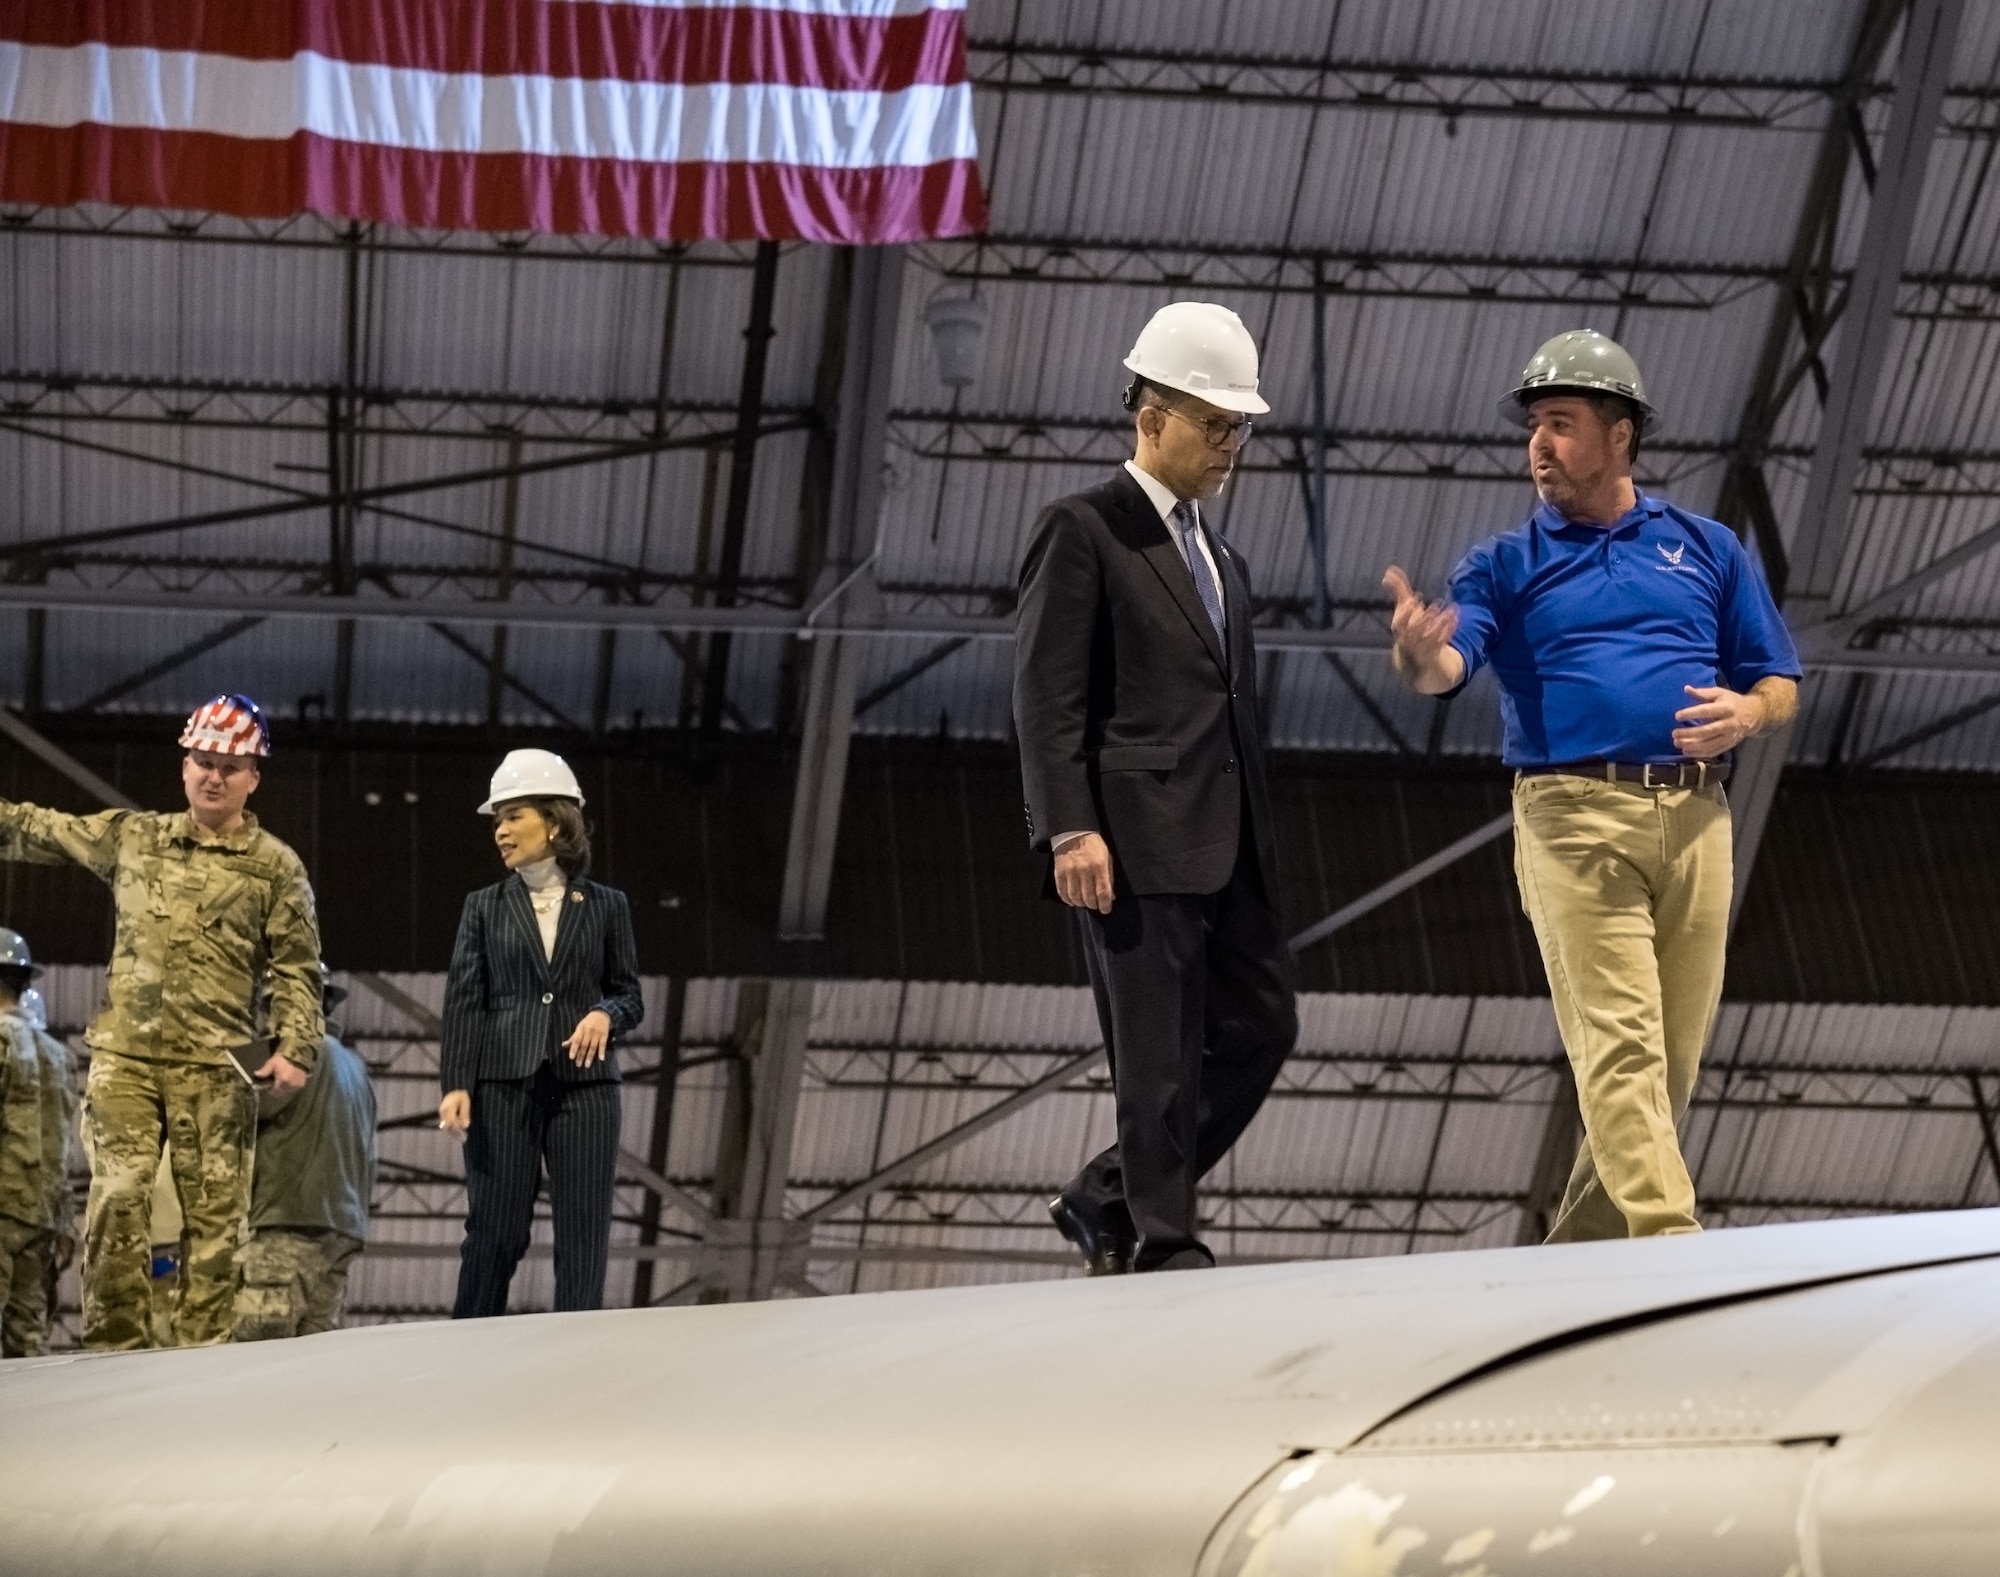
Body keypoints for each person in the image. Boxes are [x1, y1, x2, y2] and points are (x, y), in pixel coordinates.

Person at [1383, 329, 1801, 1242]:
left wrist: (1747, 715)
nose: (1539, 443)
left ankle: (1571, 1266)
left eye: (1562, 423)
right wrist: (1420, 655)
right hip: (1573, 819)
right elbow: (1450, 664)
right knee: (1620, 1049)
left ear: (1621, 434)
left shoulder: (1707, 547)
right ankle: (1671, 1243)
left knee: (1668, 1072)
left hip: (1698, 818)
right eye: (1534, 426)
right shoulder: (1502, 564)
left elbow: (1779, 680)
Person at [1013, 302, 1299, 1275]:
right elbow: (1044, 697)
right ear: (1151, 415)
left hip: (1230, 838)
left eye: (1237, 429)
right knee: (1157, 1054)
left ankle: (1102, 1192)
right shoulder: (1084, 529)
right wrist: (1067, 829)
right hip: (1131, 837)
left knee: (1262, 1027)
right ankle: (1160, 1237)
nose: (1230, 446)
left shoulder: (1228, 564)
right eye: (1215, 424)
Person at [0, 695, 323, 1347]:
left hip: (216, 1065)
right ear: (184, 766)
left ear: (253, 777)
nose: (213, 776)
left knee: (214, 1222)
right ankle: (114, 1345)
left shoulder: (276, 868)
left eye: (230, 767)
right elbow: (41, 828)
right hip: (126, 1059)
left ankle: (203, 1354)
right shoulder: (134, 837)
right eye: (203, 761)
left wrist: (298, 1046)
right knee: (118, 1195)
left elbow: (298, 965)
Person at [438, 749, 643, 1316]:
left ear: (554, 821)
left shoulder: (607, 907)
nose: (500, 831)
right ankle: (469, 1333)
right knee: (495, 1229)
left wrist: (606, 1013)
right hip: (502, 1083)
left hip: (587, 1088)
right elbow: (463, 1000)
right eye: (498, 820)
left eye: (513, 816)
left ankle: (576, 1351)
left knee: (583, 1234)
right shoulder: (482, 907)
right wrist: (457, 1083)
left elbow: (630, 995)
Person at [233, 966, 377, 1341]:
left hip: (287, 1223)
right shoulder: (357, 1068)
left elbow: (237, 1115)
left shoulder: (286, 1061)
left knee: (260, 1358)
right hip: (343, 1231)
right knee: (312, 1361)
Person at [0, 929, 78, 1356]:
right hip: (41, 1217)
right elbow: (63, 1145)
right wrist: (65, 1222)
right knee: (27, 1343)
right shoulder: (59, 1056)